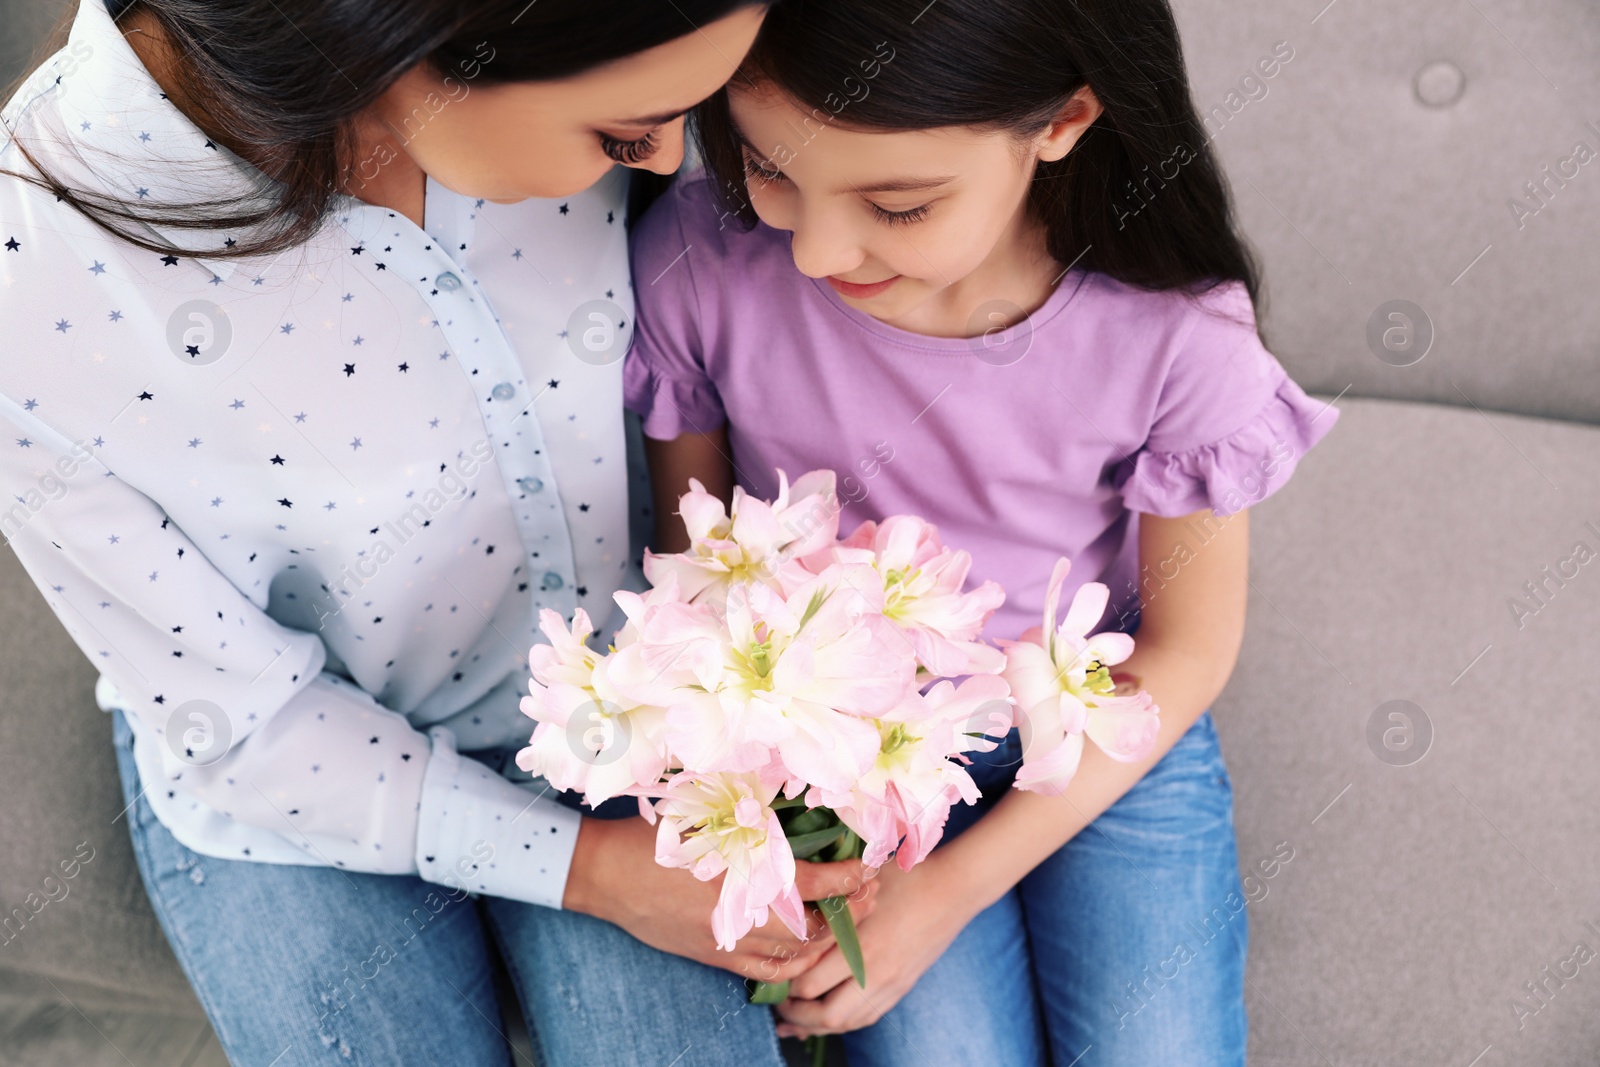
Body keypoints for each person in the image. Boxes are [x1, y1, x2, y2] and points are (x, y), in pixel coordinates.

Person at [0, 1, 880, 1064]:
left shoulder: (606, 68)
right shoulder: (39, 276)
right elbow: (243, 726)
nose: (672, 163)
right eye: (623, 134)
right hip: (294, 773)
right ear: (401, 42)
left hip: (629, 711)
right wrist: (590, 871)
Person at [622, 0, 1341, 1063]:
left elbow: (1186, 651)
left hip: (1103, 727)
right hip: (853, 765)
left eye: (897, 204)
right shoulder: (701, 260)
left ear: (1062, 120)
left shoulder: (1176, 335)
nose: (815, 249)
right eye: (769, 169)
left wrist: (950, 887)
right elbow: (701, 575)